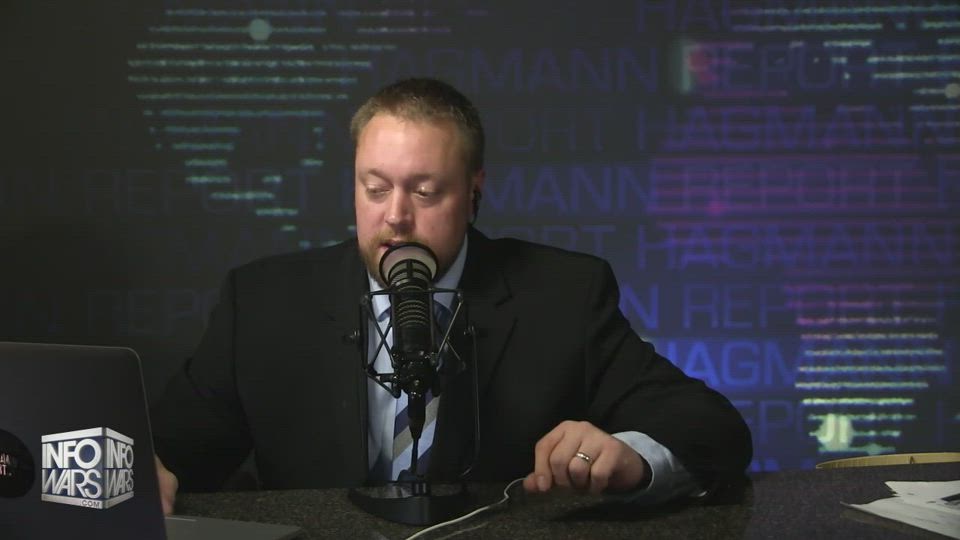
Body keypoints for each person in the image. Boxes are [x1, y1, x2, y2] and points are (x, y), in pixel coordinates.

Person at [152, 78, 752, 515]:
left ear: (473, 192)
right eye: (375, 188)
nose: (395, 217)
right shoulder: (262, 301)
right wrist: (135, 474)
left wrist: (631, 457)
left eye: (425, 191)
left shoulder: (564, 295)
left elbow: (712, 429)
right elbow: (167, 451)